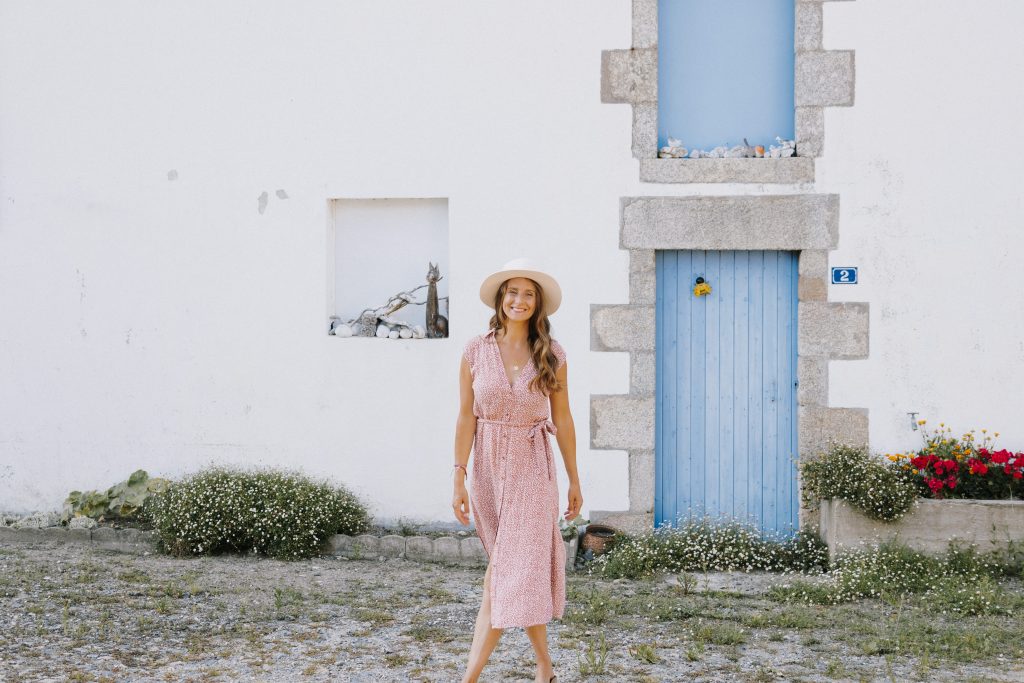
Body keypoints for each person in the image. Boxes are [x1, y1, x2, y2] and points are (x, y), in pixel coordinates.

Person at [452, 258, 583, 683]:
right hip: (488, 469)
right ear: (500, 298)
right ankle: (545, 666)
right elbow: (466, 417)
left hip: (531, 467)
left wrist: (574, 479)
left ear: (538, 304)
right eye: (513, 292)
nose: (519, 300)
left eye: (528, 294)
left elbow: (563, 420)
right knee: (514, 571)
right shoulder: (475, 350)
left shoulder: (552, 354)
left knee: (503, 571)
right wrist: (459, 475)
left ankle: (469, 677)